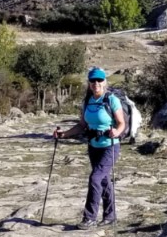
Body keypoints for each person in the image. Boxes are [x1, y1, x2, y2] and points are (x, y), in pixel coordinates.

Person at [54, 67, 126, 228]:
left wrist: (117, 131)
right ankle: (110, 216)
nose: (96, 83)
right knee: (104, 180)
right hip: (93, 145)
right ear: (89, 83)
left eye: (99, 80)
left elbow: (122, 123)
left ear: (104, 82)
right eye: (93, 80)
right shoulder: (87, 101)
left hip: (110, 146)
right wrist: (64, 134)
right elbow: (82, 125)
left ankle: (89, 218)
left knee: (95, 178)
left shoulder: (111, 100)